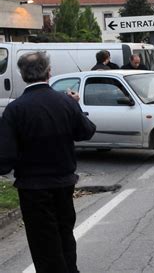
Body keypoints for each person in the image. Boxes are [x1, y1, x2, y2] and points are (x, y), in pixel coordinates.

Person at [0, 52, 96, 273]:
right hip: (64, 182)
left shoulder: (15, 109)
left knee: (43, 241)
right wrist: (76, 107)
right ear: (49, 72)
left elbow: (5, 157)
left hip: (33, 187)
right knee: (65, 232)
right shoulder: (66, 101)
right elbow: (86, 132)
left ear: (22, 74)